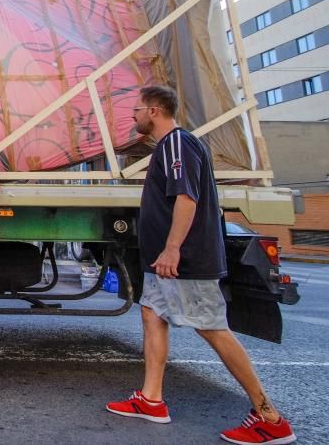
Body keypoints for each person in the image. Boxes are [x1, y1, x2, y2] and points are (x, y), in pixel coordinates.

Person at [106, 85, 295, 444]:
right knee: (152, 314)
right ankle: (151, 399)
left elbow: (186, 198)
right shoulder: (168, 146)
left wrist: (173, 248)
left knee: (210, 327)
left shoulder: (178, 142)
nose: (133, 115)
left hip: (186, 261)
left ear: (155, 110)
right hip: (166, 262)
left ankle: (269, 416)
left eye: (137, 109)